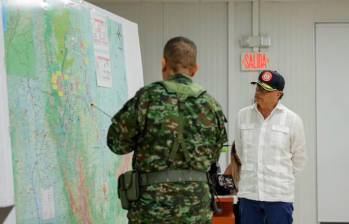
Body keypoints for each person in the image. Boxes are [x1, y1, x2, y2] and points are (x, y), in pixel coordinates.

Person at [107, 36, 227, 223]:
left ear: (164, 64)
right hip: (196, 209)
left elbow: (116, 144)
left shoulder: (147, 98)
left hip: (151, 208)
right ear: (195, 69)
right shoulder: (212, 106)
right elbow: (213, 157)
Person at [234, 70, 306, 224]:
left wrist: (279, 175)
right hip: (249, 195)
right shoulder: (242, 116)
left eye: (265, 90)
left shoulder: (292, 120)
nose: (259, 92)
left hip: (279, 197)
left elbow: (299, 159)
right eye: (258, 87)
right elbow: (240, 152)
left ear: (279, 95)